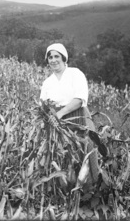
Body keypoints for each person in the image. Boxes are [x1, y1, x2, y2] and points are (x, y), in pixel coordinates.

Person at [40, 43, 98, 185]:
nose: (53, 60)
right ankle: (65, 192)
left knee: (84, 152)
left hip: (78, 118)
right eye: (50, 57)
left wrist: (60, 114)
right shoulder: (47, 82)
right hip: (57, 123)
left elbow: (79, 99)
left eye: (56, 56)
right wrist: (50, 118)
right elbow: (42, 105)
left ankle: (88, 192)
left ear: (64, 58)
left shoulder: (75, 74)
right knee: (62, 156)